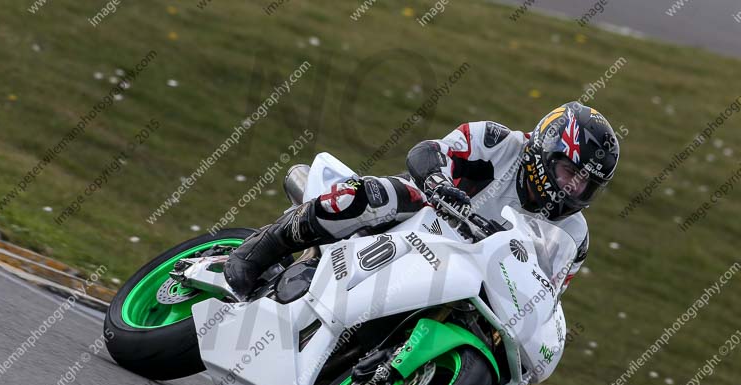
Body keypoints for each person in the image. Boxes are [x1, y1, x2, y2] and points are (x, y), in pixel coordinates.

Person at [224, 102, 620, 298]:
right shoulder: (501, 142)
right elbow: (427, 151)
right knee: (383, 195)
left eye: (586, 184)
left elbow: (544, 296)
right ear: (546, 150)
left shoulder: (575, 237)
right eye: (570, 172)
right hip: (421, 222)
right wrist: (438, 182)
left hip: (465, 279)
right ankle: (263, 246)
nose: (572, 189)